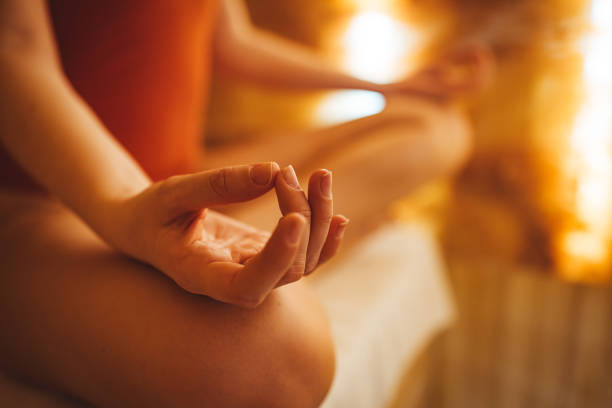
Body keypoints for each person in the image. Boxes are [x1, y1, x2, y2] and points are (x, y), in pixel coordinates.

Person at [0, 0, 491, 406]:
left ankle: (230, 242)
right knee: (276, 362)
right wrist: (127, 206)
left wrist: (389, 88)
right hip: (43, 197)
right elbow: (15, 46)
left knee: (432, 127)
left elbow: (234, 42)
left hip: (173, 171)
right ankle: (200, 243)